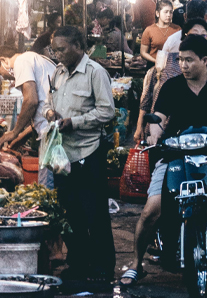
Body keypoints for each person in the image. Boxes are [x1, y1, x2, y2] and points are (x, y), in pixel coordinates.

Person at [120, 35, 207, 287]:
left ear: (205, 60)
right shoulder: (172, 86)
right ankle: (136, 263)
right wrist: (156, 135)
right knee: (152, 210)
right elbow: (159, 118)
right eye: (180, 60)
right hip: (175, 154)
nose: (183, 65)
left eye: (189, 60)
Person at [44, 26, 116, 282]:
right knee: (69, 212)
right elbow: (48, 104)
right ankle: (78, 264)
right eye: (55, 49)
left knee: (94, 213)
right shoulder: (57, 72)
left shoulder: (96, 73)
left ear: (78, 46)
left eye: (62, 49)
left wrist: (75, 122)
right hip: (64, 156)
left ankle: (102, 268)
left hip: (89, 153)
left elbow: (107, 112)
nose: (58, 54)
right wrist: (50, 114)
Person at [0, 48, 56, 188]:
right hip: (53, 126)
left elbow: (31, 101)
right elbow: (36, 118)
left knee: (47, 185)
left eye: (1, 74)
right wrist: (16, 140)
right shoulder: (34, 59)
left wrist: (14, 132)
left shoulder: (21, 61)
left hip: (52, 130)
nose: (5, 78)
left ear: (3, 61)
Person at [162, 0, 207, 77]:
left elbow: (162, 68)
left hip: (176, 87)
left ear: (185, 16)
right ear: (206, 17)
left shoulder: (172, 40)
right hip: (206, 87)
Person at [140, 0, 180, 65]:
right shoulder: (149, 30)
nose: (168, 15)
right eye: (166, 12)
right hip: (154, 65)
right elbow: (143, 52)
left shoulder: (177, 29)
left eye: (171, 12)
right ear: (157, 13)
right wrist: (156, 61)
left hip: (173, 66)